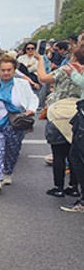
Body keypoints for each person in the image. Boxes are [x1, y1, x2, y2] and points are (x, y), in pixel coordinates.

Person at [37, 41, 84, 202]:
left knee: (58, 153)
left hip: (59, 111)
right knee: (74, 153)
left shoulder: (67, 69)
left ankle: (58, 187)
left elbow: (43, 78)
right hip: (77, 113)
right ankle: (74, 186)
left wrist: (40, 61)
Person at [0, 55, 38, 194]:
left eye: (9, 70)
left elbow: (32, 98)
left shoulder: (22, 84)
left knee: (12, 151)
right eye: (3, 70)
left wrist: (31, 109)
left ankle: (7, 172)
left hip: (16, 124)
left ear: (14, 70)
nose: (6, 73)